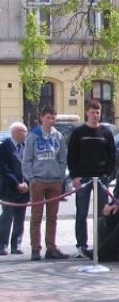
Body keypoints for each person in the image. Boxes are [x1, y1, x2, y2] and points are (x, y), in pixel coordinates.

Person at [67, 99, 116, 258]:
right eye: (92, 112)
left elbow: (112, 155)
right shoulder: (78, 132)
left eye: (98, 112)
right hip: (83, 177)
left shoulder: (106, 133)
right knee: (81, 212)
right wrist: (74, 176)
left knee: (102, 213)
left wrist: (108, 173)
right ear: (87, 112)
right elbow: (71, 155)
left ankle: (101, 244)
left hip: (101, 177)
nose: (95, 115)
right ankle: (81, 245)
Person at [23, 106, 69, 261]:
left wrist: (60, 177)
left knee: (52, 216)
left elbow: (62, 159)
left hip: (54, 181)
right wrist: (31, 179)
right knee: (36, 216)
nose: (50, 121)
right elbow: (27, 160)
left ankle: (51, 247)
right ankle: (35, 248)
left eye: (53, 118)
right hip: (38, 180)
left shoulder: (58, 136)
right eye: (48, 117)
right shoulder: (33, 136)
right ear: (42, 118)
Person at [0, 122, 29, 255]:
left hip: (24, 189)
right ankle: (2, 245)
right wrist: (16, 183)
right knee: (7, 216)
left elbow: (29, 165)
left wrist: (26, 183)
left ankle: (16, 245)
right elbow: (4, 168)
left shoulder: (26, 146)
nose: (26, 134)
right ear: (16, 132)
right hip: (9, 189)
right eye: (24, 131)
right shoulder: (4, 147)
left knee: (20, 218)